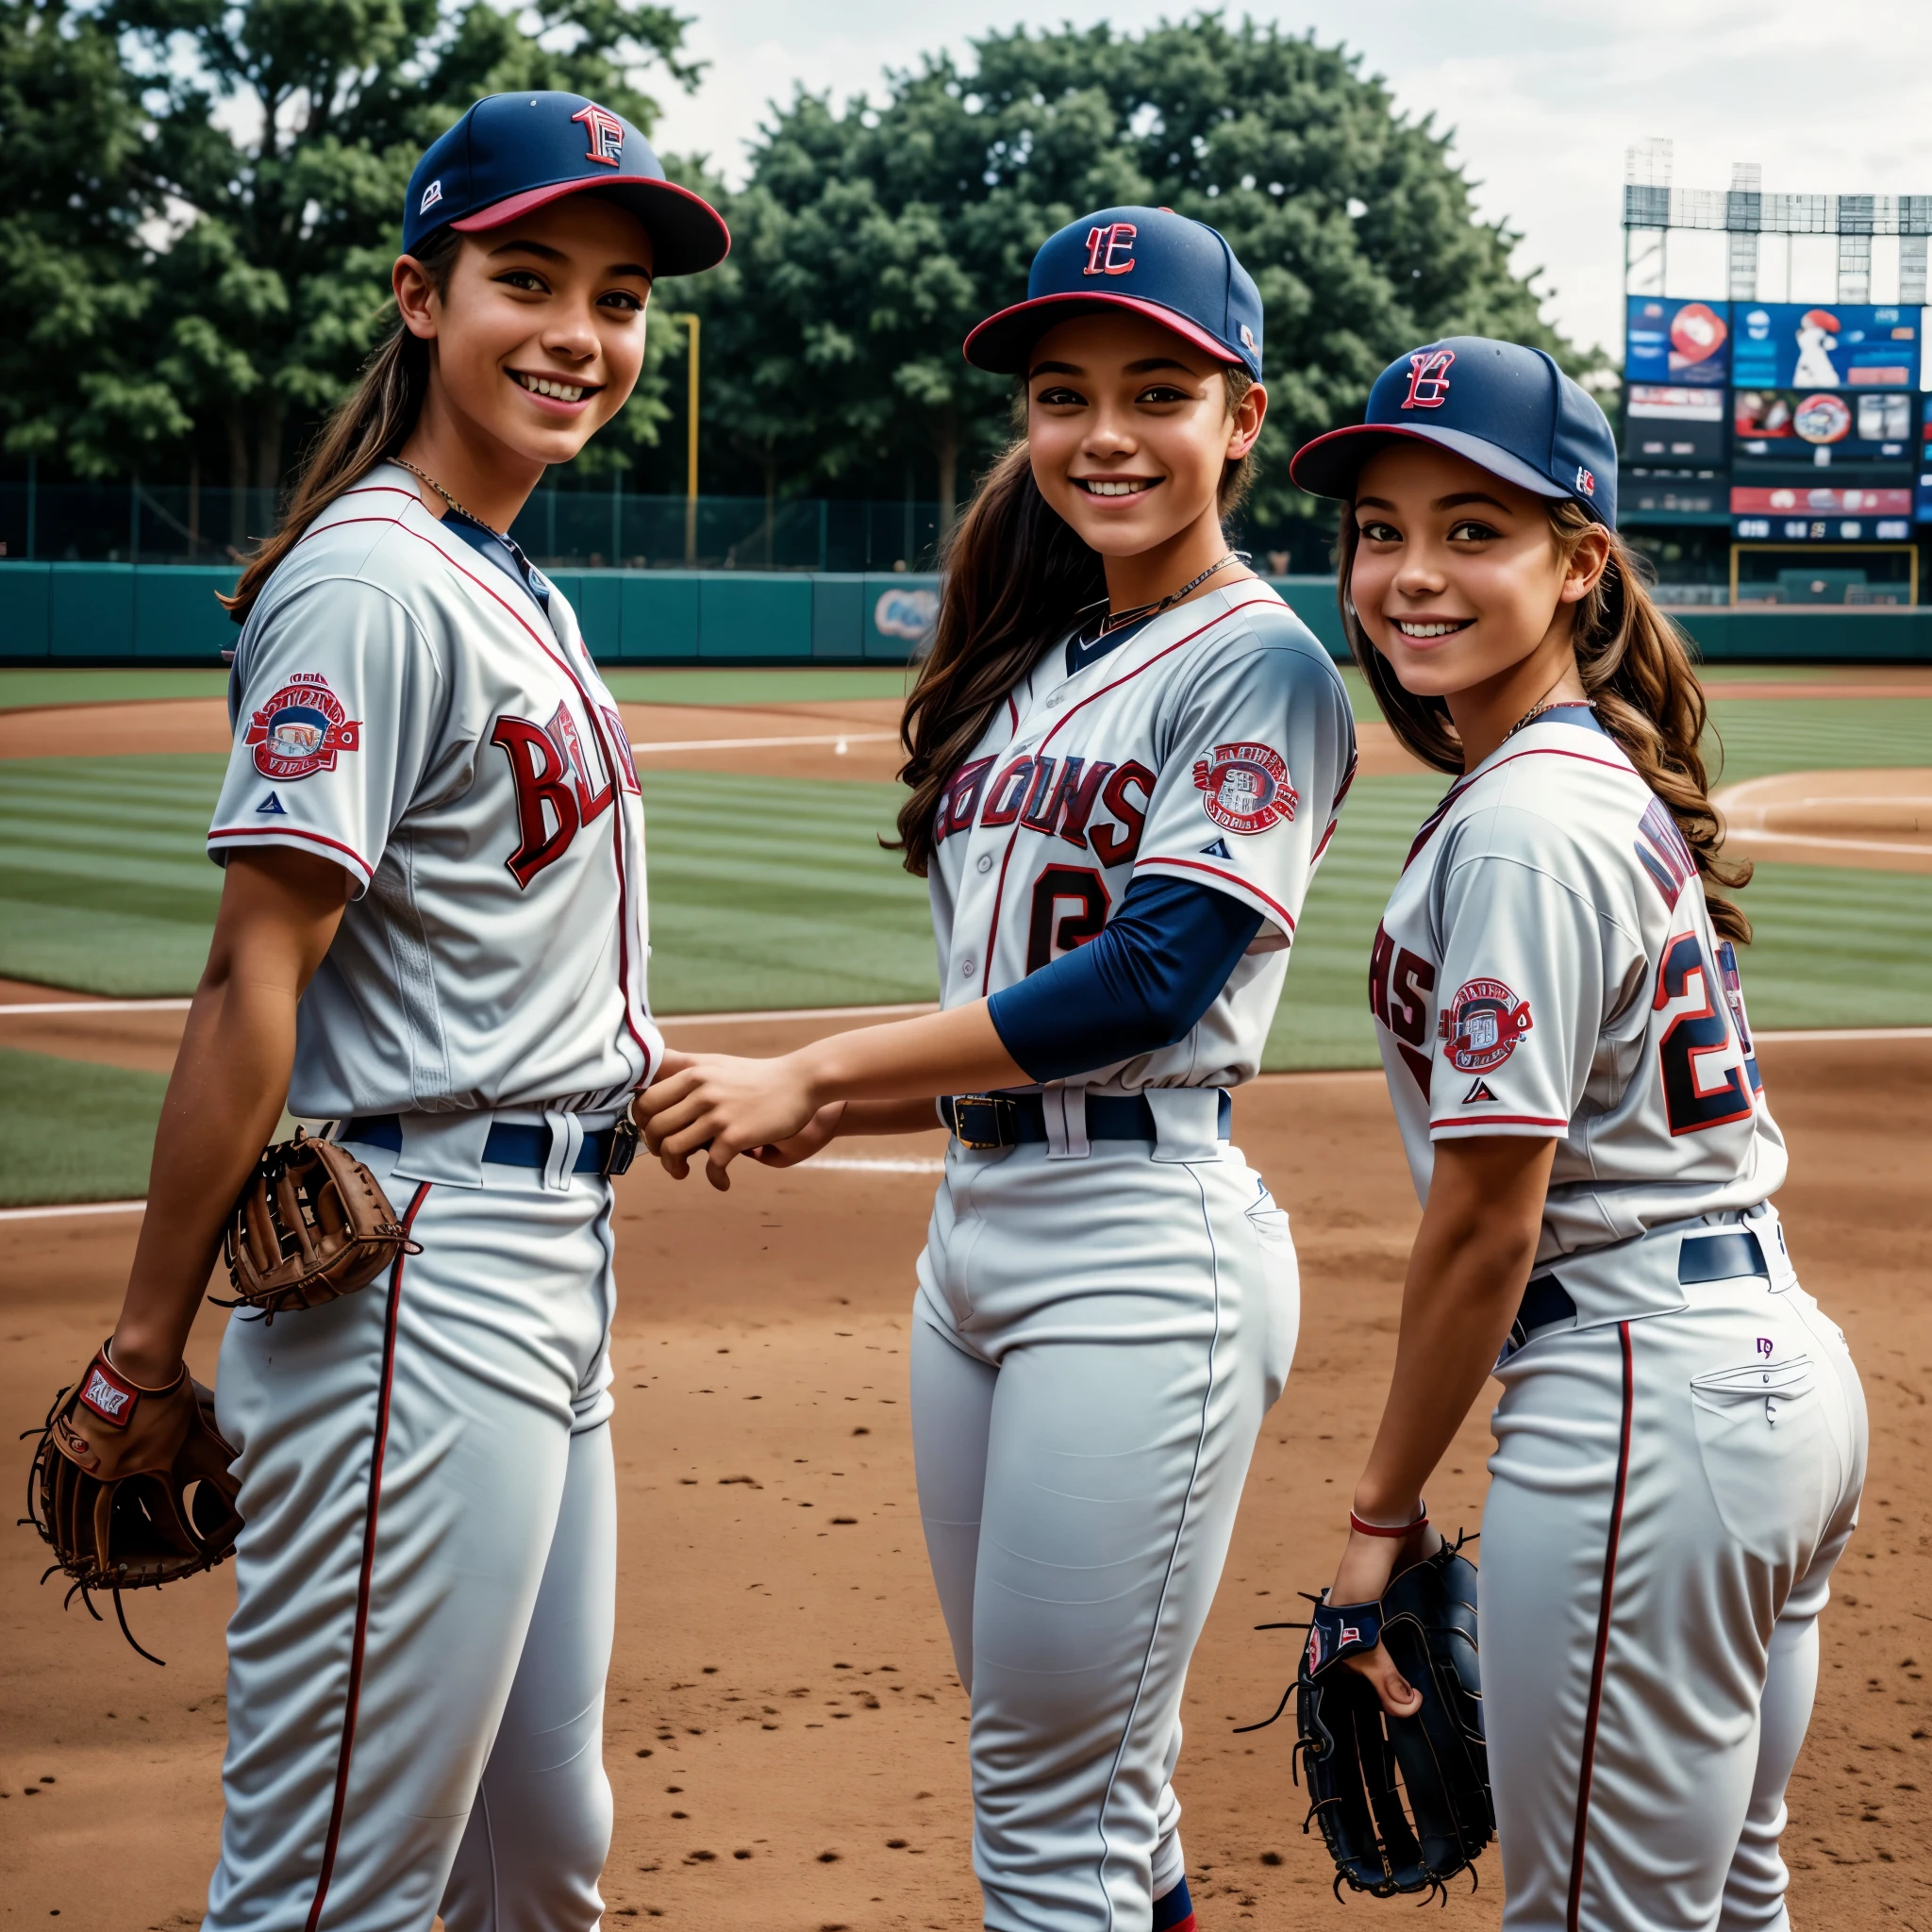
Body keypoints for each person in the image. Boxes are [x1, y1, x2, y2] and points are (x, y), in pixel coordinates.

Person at [636, 207, 1357, 1932]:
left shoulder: (1262, 663)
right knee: (1084, 1770)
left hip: (1141, 1243)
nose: (1103, 432)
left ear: (1240, 420)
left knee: (1050, 1806)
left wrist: (820, 1067)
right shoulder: (1039, 661)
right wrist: (850, 1099)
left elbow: (1150, 976)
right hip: (977, 1237)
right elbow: (1003, 998)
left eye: (1156, 390)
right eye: (1061, 392)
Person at [84, 92, 727, 1930]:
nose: (580, 334)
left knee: (535, 1857)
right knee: (332, 1892)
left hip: (547, 1258)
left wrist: (625, 1059)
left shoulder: (510, 577)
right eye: (527, 278)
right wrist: (144, 1346)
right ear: (416, 296)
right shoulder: (373, 575)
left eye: (616, 297)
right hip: (419, 1274)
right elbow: (250, 972)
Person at [1289, 337, 1867, 1931]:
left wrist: (1378, 1523)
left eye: (1475, 531)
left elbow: (1485, 1223)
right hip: (1768, 1383)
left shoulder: (1528, 825)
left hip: (1643, 1407)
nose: (1411, 573)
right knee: (1724, 1898)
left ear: (1580, 559)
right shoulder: (1591, 780)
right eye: (1381, 529)